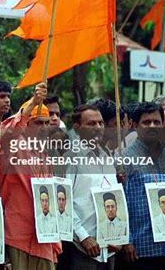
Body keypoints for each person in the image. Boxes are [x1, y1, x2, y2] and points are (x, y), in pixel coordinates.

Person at [0, 83, 61, 270]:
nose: (44, 127)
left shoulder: (46, 153)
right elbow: (7, 132)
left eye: (47, 123)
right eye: (38, 123)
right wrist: (34, 101)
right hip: (19, 236)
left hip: (45, 236)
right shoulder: (14, 148)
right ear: (26, 125)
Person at [122, 102, 165, 270]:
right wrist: (127, 239)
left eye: (157, 122)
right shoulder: (124, 158)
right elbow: (121, 202)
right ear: (134, 125)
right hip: (139, 247)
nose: (152, 126)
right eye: (146, 122)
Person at [65, 104, 119, 270]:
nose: (98, 128)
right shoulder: (70, 158)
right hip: (82, 247)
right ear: (77, 128)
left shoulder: (108, 157)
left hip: (109, 247)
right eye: (91, 124)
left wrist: (118, 235)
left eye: (101, 123)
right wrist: (83, 237)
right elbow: (64, 202)